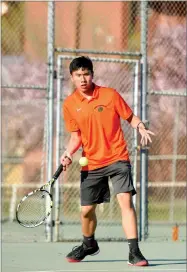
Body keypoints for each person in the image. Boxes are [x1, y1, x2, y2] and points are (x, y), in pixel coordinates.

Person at [61, 56, 154, 266]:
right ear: (72, 77)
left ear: (92, 74)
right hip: (91, 163)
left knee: (125, 201)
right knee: (86, 211)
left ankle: (134, 251)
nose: (83, 79)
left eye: (86, 74)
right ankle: (88, 245)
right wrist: (67, 153)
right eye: (78, 75)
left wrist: (140, 126)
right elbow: (76, 137)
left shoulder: (110, 95)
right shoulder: (69, 104)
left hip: (118, 157)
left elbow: (130, 117)